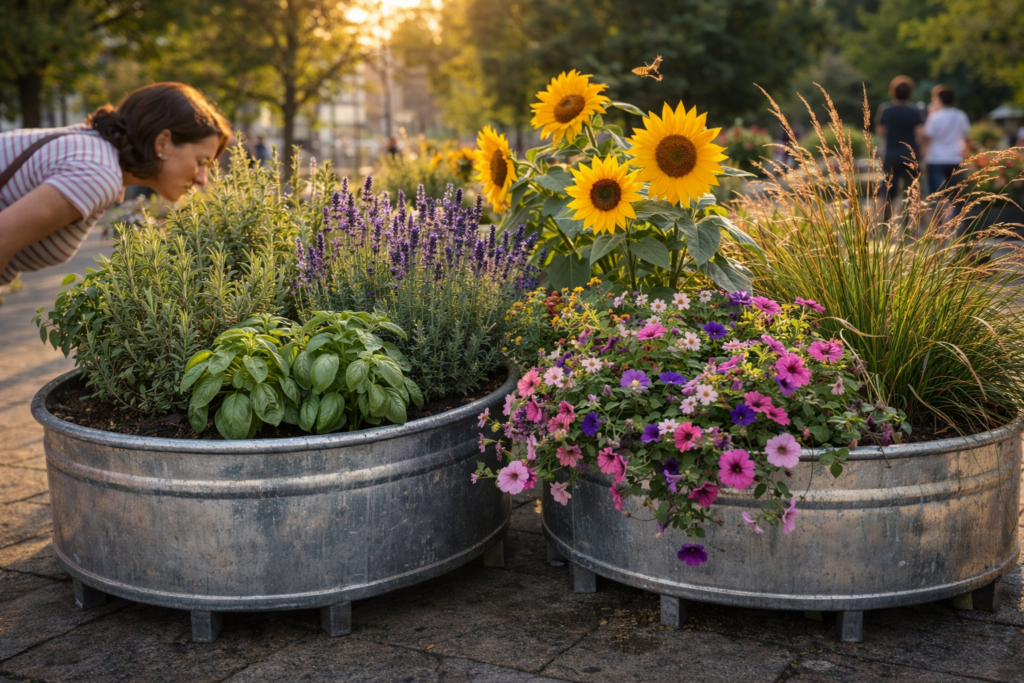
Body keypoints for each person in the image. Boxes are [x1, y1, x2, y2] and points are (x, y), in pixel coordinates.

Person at [0, 82, 231, 286]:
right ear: (163, 143)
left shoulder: (95, 151)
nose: (202, 179)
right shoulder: (98, 173)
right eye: (201, 162)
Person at [875, 75, 925, 220]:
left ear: (893, 91)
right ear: (910, 93)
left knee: (888, 191)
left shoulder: (885, 109)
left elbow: (881, 131)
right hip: (910, 154)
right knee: (913, 192)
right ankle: (911, 225)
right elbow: (920, 134)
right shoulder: (915, 111)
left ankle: (886, 224)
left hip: (891, 154)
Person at [923, 85, 971, 198]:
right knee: (955, 196)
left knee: (935, 196)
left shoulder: (934, 116)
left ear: (938, 99)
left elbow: (927, 137)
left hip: (935, 158)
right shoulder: (961, 115)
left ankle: (937, 215)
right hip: (955, 157)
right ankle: (954, 215)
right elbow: (966, 137)